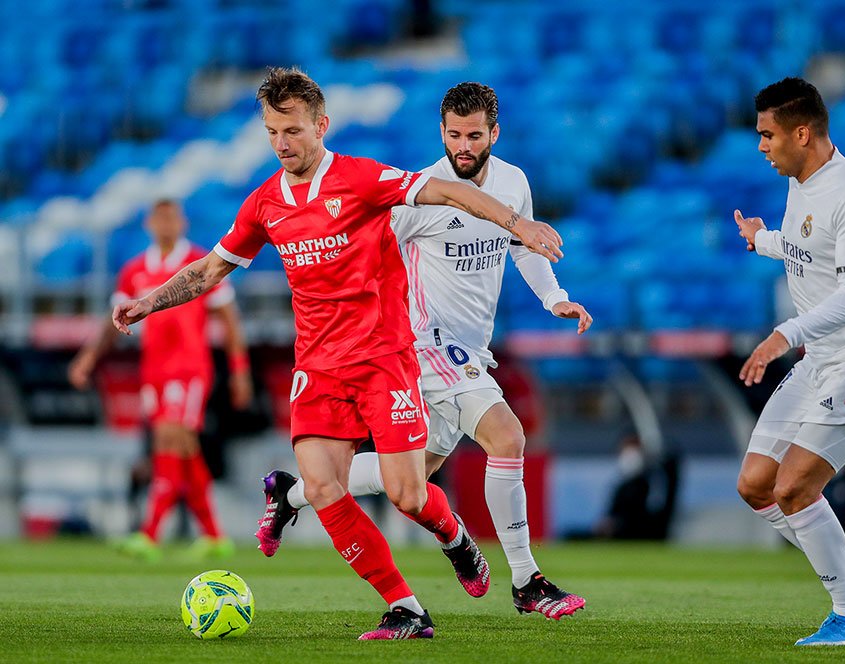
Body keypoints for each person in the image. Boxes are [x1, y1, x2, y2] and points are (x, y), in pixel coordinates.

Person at [111, 67, 565, 640]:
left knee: (408, 492)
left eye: (294, 130)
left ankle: (453, 536)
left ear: (321, 126)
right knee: (325, 487)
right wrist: (149, 301)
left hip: (385, 357)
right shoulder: (264, 205)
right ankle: (406, 608)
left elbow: (447, 189)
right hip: (319, 366)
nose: (282, 143)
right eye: (273, 131)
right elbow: (210, 269)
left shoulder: (362, 178)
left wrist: (516, 222)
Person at [256, 82, 591, 620]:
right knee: (506, 435)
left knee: (409, 482)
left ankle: (290, 493)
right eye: (454, 135)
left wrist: (556, 297)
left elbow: (522, 247)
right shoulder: (424, 192)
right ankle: (528, 582)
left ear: (493, 134)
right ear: (442, 133)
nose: (463, 145)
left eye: (474, 135)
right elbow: (362, 242)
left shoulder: (513, 183)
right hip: (423, 342)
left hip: (471, 348)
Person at [733, 77, 845, 647]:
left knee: (793, 488)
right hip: (822, 357)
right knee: (757, 485)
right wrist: (764, 241)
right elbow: (812, 249)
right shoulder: (801, 180)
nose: (761, 145)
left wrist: (783, 333)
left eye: (768, 134)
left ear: (801, 133)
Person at [68, 199, 253, 562]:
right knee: (182, 448)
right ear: (150, 224)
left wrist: (239, 369)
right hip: (154, 369)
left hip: (189, 368)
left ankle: (150, 533)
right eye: (159, 218)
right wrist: (88, 357)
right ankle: (215, 535)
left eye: (171, 217)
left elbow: (229, 321)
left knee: (169, 439)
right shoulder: (135, 270)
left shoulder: (201, 263)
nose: (165, 224)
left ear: (181, 222)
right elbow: (113, 321)